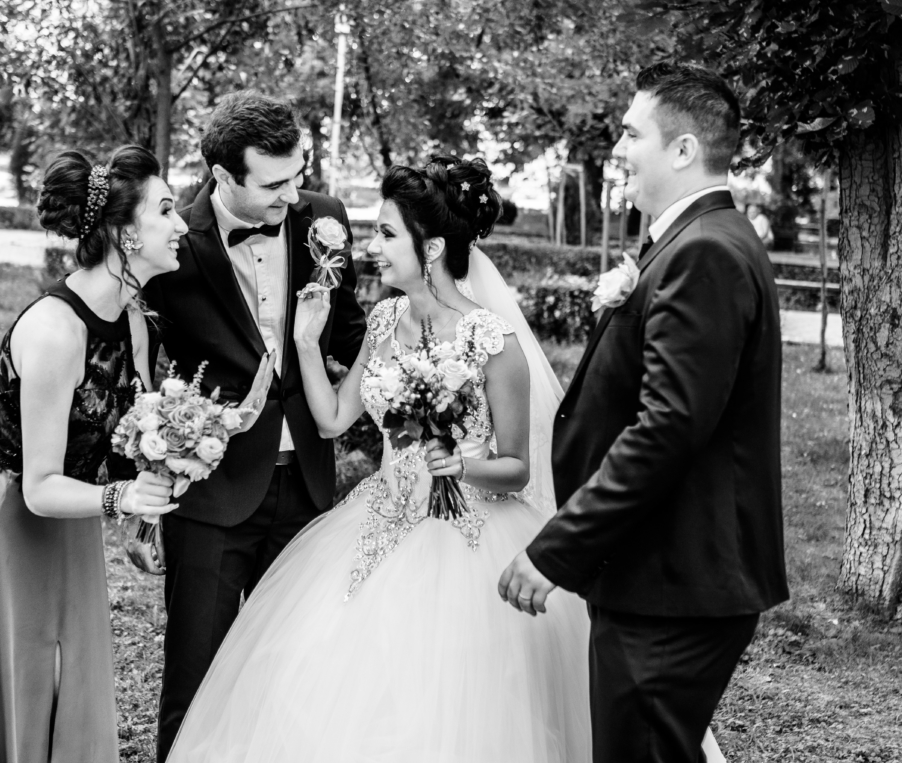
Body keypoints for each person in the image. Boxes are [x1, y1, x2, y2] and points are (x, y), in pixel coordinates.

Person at [167, 156, 594, 762]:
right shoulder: (386, 318)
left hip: (467, 538)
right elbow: (332, 419)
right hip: (377, 522)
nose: (371, 247)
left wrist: (460, 465)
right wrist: (306, 343)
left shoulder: (492, 340)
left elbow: (518, 469)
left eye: (387, 234)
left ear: (432, 248)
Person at [0, 144, 270, 762]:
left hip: (71, 529)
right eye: (166, 210)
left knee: (72, 697)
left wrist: (149, 505)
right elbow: (39, 484)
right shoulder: (54, 332)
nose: (181, 224)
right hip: (9, 531)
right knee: (29, 700)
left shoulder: (134, 320)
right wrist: (123, 497)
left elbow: (124, 437)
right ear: (125, 233)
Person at [500, 62, 788, 763]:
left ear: (683, 149)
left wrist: (558, 549)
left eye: (633, 134)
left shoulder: (706, 252)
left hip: (673, 581)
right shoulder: (692, 239)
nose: (619, 149)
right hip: (658, 574)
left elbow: (668, 428)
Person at [140, 92, 366, 761]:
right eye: (273, 185)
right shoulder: (174, 243)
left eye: (298, 175)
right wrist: (144, 486)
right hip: (210, 496)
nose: (292, 196)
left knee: (292, 678)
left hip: (306, 493)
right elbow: (136, 370)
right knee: (196, 680)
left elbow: (352, 333)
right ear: (223, 175)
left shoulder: (324, 218)